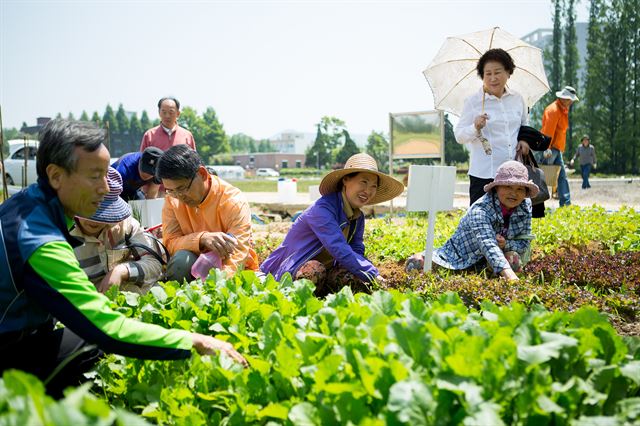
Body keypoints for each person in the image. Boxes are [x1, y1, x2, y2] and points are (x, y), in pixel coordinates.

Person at [0, 120, 247, 398]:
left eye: (107, 175)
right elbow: (105, 328)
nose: (105, 188)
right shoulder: (38, 240)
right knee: (90, 338)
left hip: (21, 335)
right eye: (95, 176)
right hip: (8, 347)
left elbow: (158, 256)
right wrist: (194, 341)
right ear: (56, 175)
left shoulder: (26, 206)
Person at [261, 153, 404, 295]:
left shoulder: (357, 217)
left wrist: (367, 273)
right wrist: (373, 273)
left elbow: (356, 250)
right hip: (288, 272)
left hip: (326, 271)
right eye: (364, 182)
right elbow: (338, 247)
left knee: (353, 274)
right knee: (314, 270)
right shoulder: (322, 210)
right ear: (346, 180)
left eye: (373, 186)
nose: (368, 191)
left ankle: (326, 296)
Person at [406, 161, 538, 282]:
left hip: (491, 261)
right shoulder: (481, 209)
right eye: (508, 186)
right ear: (497, 188)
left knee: (513, 260)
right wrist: (511, 278)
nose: (513, 193)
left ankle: (487, 279)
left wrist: (506, 244)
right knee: (417, 263)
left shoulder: (525, 205)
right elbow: (488, 244)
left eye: (520, 189)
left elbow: (524, 242)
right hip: (458, 258)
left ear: (525, 192)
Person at [156, 145, 259, 282]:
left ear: (202, 174)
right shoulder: (172, 199)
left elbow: (238, 253)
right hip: (194, 266)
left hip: (229, 268)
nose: (179, 196)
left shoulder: (233, 201)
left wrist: (219, 286)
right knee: (181, 261)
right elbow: (170, 243)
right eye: (171, 190)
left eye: (182, 188)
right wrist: (202, 239)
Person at [454, 48, 531, 207]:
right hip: (484, 175)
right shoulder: (473, 102)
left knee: (512, 224)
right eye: (487, 74)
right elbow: (459, 136)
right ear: (482, 76)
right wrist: (475, 127)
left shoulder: (518, 99)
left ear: (508, 72)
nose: (493, 78)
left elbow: (524, 124)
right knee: (481, 223)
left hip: (513, 175)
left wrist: (524, 140)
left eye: (498, 72)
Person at [72, 167, 163, 294]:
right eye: (88, 211)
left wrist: (122, 271)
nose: (94, 220)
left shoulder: (126, 226)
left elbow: (154, 264)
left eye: (103, 214)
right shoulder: (60, 236)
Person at [539, 85, 579, 206]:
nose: (572, 102)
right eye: (570, 99)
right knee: (543, 177)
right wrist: (546, 148)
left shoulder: (562, 110)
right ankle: (537, 204)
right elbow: (548, 131)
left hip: (557, 149)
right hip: (550, 149)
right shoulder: (553, 110)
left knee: (562, 177)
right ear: (564, 98)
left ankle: (566, 204)